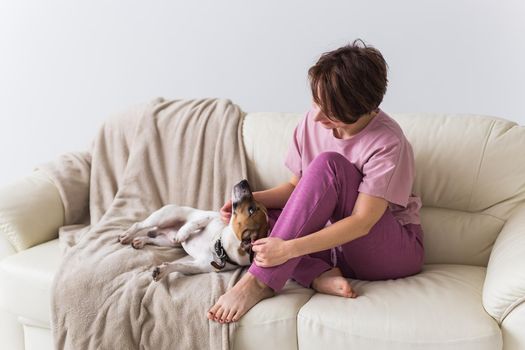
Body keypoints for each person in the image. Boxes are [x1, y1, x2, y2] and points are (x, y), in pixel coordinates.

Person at [207, 39, 424, 324]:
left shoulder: (388, 142)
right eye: (316, 102)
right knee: (263, 219)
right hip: (334, 246)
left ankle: (258, 283)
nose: (317, 116)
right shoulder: (312, 121)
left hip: (385, 251)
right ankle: (318, 274)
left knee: (328, 165)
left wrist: (288, 250)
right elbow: (297, 191)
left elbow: (362, 222)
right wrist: (252, 201)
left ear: (363, 108)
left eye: (331, 111)